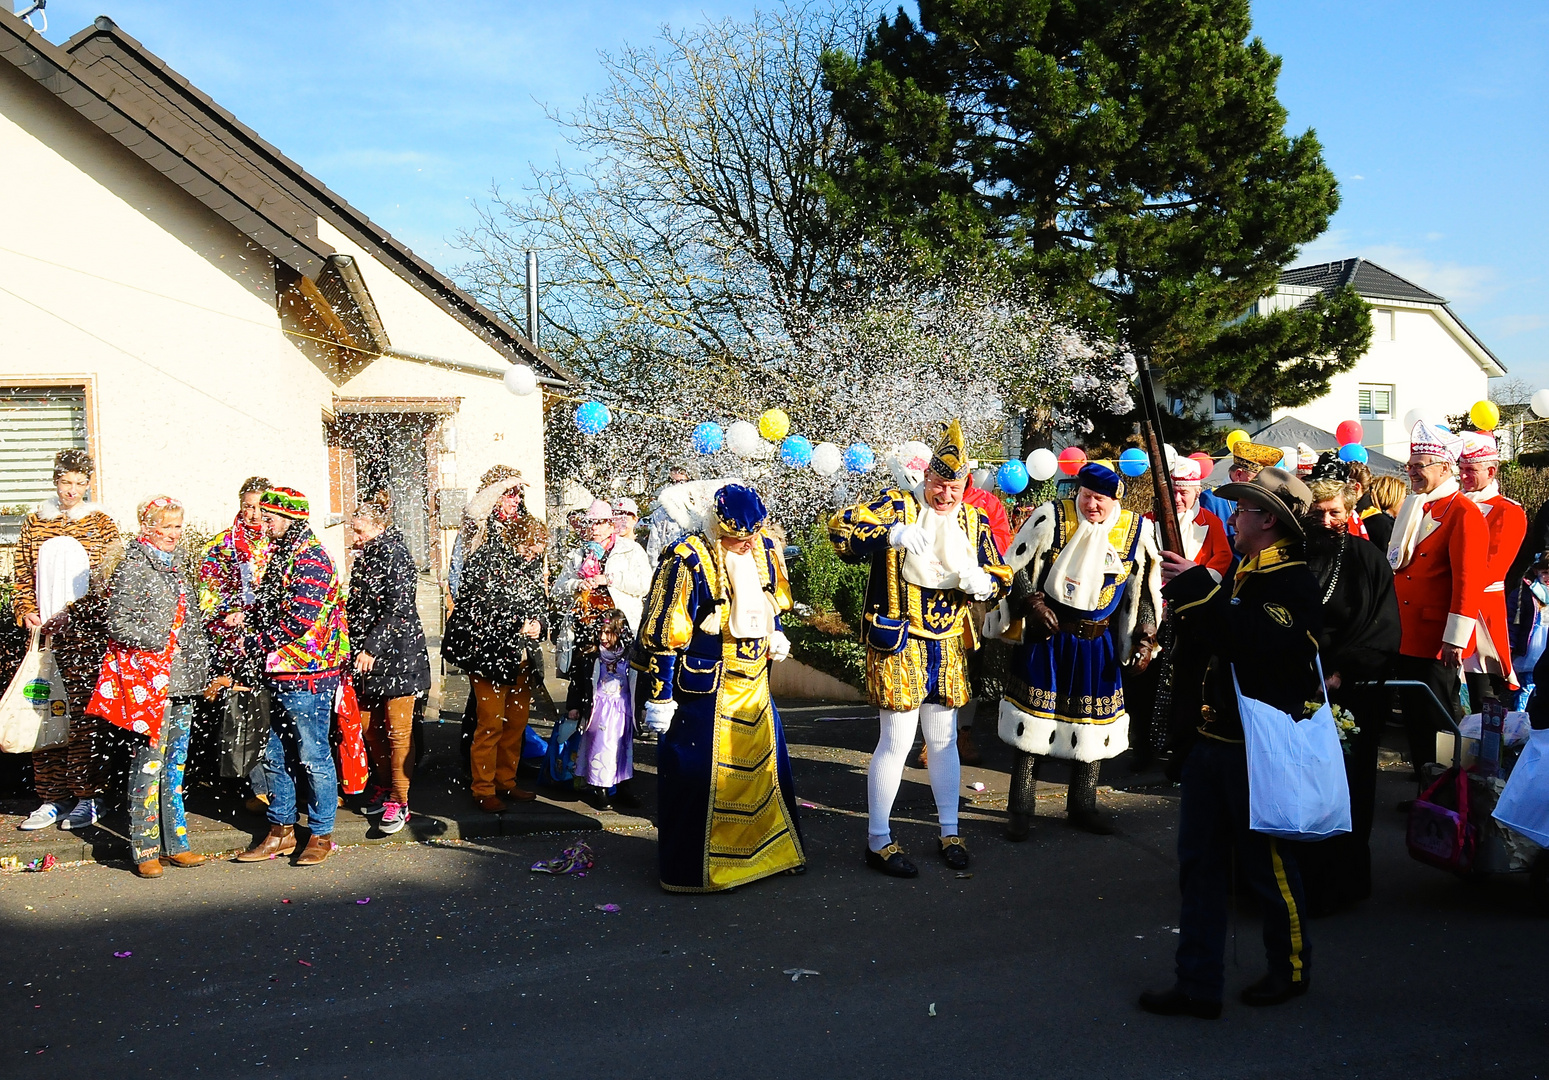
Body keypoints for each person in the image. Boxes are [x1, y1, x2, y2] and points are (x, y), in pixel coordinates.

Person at [1140, 468, 1324, 1018]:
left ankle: (1290, 969)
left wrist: (1200, 586)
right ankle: (1197, 982)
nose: (1233, 516)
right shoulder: (1246, 573)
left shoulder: (1292, 581)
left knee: (1268, 867)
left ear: (1267, 520)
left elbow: (1251, 642)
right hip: (1211, 741)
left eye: (1242, 509)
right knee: (1198, 867)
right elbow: (1212, 639)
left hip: (1255, 750)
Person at [829, 420, 1009, 877]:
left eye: (952, 487)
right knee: (896, 740)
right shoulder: (897, 506)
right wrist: (890, 535)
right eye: (936, 484)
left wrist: (986, 584)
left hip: (947, 641)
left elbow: (1001, 573)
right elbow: (841, 529)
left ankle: (950, 830)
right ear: (924, 479)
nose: (944, 495)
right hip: (899, 640)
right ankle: (878, 840)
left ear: (964, 485)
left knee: (944, 739)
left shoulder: (974, 520)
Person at [637, 483, 806, 892]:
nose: (745, 544)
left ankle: (769, 855)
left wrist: (775, 632)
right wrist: (659, 697)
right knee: (697, 780)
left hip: (754, 684)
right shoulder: (686, 559)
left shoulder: (764, 548)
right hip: (704, 693)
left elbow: (768, 599)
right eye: (736, 537)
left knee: (764, 775)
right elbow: (663, 632)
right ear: (716, 526)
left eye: (751, 536)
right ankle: (695, 870)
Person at [991, 462, 1162, 836]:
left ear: (1115, 500)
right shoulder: (1050, 516)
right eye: (1086, 496)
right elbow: (1014, 567)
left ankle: (1083, 804)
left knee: (1091, 726)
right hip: (1047, 640)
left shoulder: (1136, 531)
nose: (1091, 505)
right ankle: (1020, 807)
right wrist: (1033, 605)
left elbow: (1143, 592)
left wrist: (1145, 639)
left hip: (1097, 644)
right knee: (1032, 723)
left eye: (1099, 499)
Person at [89, 497, 215, 877]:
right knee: (149, 766)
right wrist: (160, 641)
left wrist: (201, 670)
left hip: (181, 681)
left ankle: (177, 844)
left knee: (174, 767)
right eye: (168, 526)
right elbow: (117, 623)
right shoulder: (133, 567)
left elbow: (192, 626)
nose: (175, 533)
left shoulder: (176, 568)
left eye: (179, 526)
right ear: (148, 526)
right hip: (150, 682)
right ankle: (145, 849)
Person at [1296, 477, 1401, 914]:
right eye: (1318, 512)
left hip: (1348, 691)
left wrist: (1341, 671)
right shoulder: (1294, 554)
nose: (1325, 520)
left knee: (1344, 787)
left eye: (1334, 512)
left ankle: (1338, 885)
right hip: (1295, 686)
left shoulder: (1367, 558)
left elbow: (1382, 627)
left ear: (1350, 512)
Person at [236, 488, 349, 867]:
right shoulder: (283, 555)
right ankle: (281, 830)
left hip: (309, 671)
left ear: (290, 519)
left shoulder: (311, 558)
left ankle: (321, 832)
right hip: (277, 669)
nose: (263, 524)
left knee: (313, 754)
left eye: (269, 518)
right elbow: (269, 610)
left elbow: (298, 620)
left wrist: (255, 641)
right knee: (273, 753)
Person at [14, 449, 120, 832]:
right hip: (45, 641)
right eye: (65, 482)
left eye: (79, 483)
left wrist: (78, 617)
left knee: (81, 720)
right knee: (44, 715)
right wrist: (26, 609)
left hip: (85, 641)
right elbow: (22, 575)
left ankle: (89, 795)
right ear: (55, 482)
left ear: (88, 484)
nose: (71, 490)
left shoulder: (101, 523)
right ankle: (51, 797)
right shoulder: (35, 522)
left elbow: (111, 580)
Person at [441, 468, 549, 812]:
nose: (513, 499)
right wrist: (501, 486)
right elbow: (473, 512)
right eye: (507, 493)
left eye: (517, 494)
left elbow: (538, 596)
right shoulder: (481, 538)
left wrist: (539, 625)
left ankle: (507, 781)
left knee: (516, 723)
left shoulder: (529, 541)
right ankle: (483, 788)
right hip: (487, 649)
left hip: (520, 653)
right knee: (489, 724)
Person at [1388, 421, 1487, 780]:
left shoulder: (1463, 512)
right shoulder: (1416, 505)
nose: (1412, 472)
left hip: (1436, 638)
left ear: (1445, 468)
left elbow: (1467, 580)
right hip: (1407, 631)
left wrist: (1454, 639)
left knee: (1437, 718)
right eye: (1410, 465)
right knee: (1415, 718)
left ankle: (1445, 794)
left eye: (1419, 466)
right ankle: (1423, 788)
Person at [346, 496, 432, 835]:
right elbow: (358, 607)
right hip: (370, 660)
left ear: (379, 527)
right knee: (371, 729)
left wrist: (370, 647)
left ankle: (400, 798)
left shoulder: (395, 555)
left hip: (399, 658)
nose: (355, 538)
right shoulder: (367, 557)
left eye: (360, 531)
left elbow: (399, 608)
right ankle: (383, 786)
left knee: (399, 734)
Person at [196, 475, 273, 812]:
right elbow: (207, 593)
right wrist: (230, 612)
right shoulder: (222, 544)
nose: (254, 514)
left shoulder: (279, 542)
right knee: (244, 714)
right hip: (236, 645)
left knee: (275, 714)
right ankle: (253, 787)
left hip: (272, 643)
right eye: (247, 507)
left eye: (259, 507)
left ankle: (282, 784)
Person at [1458, 431, 1527, 711]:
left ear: (1491, 471)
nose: (1463, 477)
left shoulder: (1507, 511)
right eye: (1460, 470)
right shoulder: (1453, 505)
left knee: (1483, 691)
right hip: (1449, 606)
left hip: (1481, 612)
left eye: (1470, 470)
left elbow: (1492, 567)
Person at [570, 607, 637, 808]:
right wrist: (574, 706)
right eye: (600, 632)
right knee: (602, 748)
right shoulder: (590, 655)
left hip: (622, 709)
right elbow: (577, 682)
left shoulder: (630, 656)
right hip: (600, 709)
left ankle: (624, 787)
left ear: (620, 633)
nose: (603, 637)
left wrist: (641, 706)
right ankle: (601, 790)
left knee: (623, 748)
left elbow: (638, 682)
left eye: (609, 632)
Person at [1198, 440, 1283, 548]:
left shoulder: (1260, 498)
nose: (1261, 485)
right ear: (1239, 475)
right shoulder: (1211, 499)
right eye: (1256, 479)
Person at [1156, 457, 1233, 575]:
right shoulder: (1150, 519)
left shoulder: (1210, 521)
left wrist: (1202, 579)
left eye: (1183, 493)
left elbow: (1224, 555)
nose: (1177, 499)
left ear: (1197, 493)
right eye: (1173, 492)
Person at [644, 466, 694, 564]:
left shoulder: (698, 510)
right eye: (673, 482)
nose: (677, 486)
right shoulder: (660, 513)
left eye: (682, 482)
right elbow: (653, 548)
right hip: (669, 565)